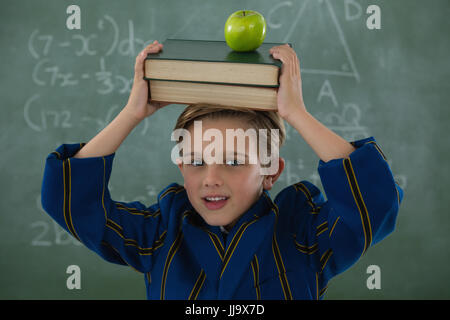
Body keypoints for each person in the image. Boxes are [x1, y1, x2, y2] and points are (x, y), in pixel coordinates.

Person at [41, 40, 403, 299]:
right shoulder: (161, 233)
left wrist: (296, 113)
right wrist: (131, 113)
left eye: (233, 161)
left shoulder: (303, 233)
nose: (211, 178)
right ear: (181, 166)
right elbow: (70, 203)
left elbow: (375, 202)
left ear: (271, 170)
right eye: (196, 162)